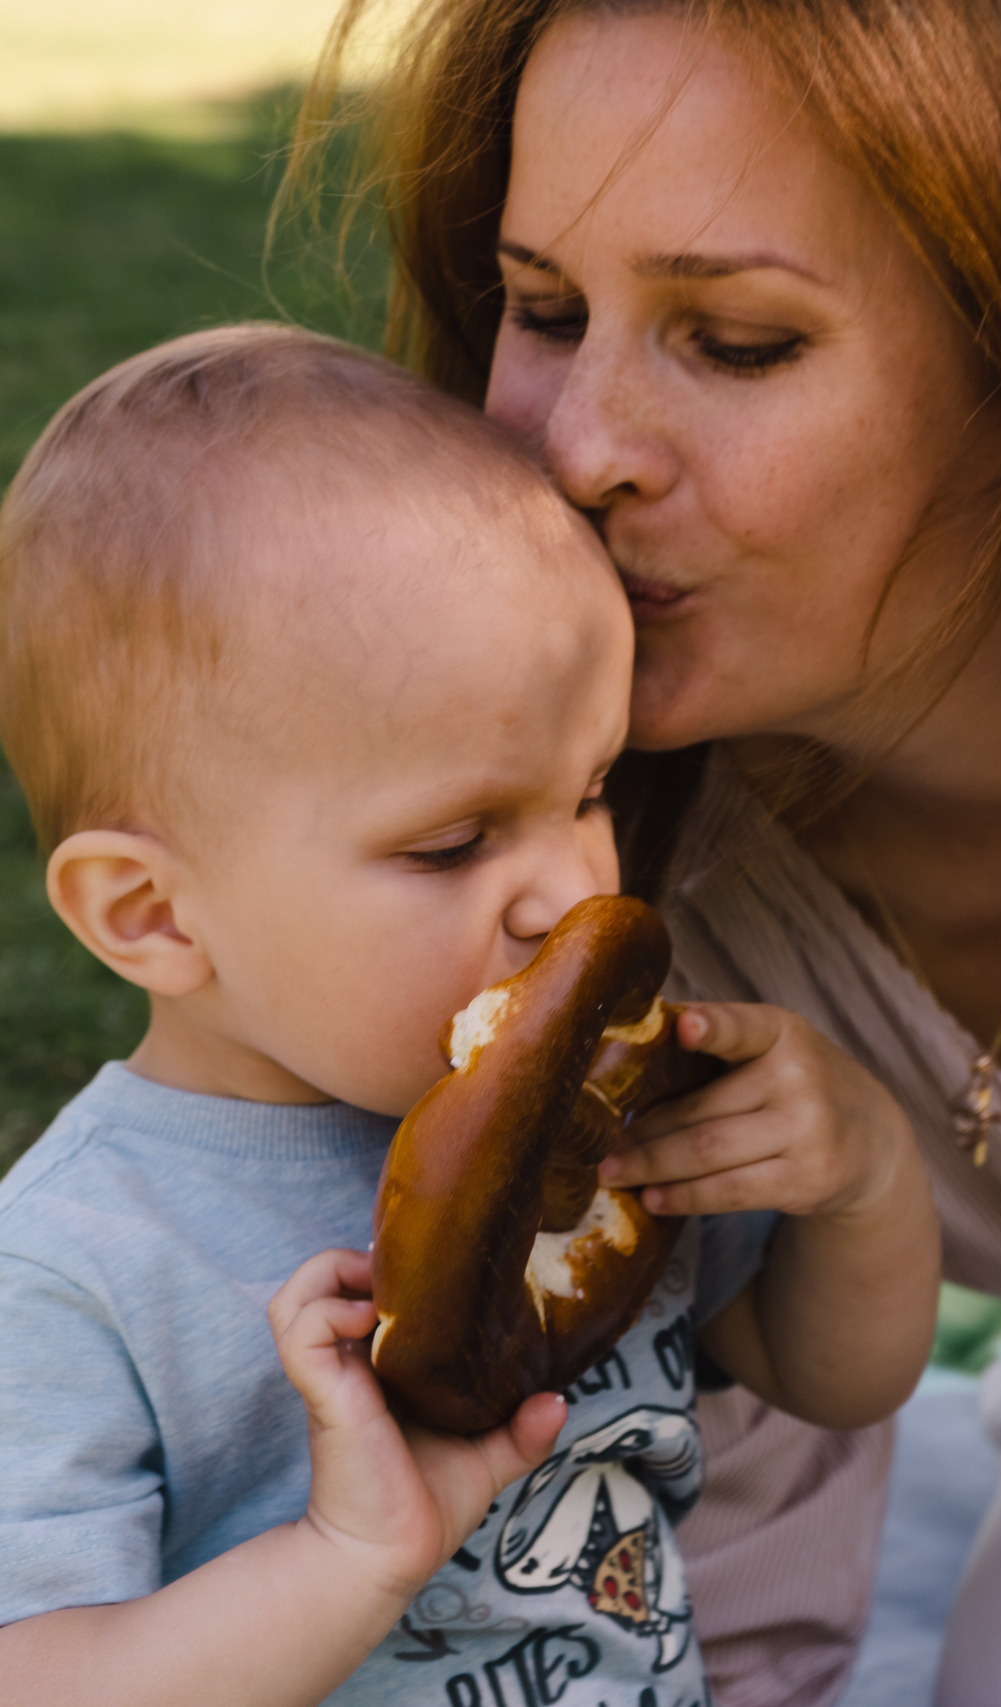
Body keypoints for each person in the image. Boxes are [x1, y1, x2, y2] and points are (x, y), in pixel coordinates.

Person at [285, 0, 1001, 1702]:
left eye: (737, 341)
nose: (578, 449)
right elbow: (670, 1461)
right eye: (538, 311)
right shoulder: (592, 873)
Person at [0, 324, 939, 1707]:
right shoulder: (83, 1268)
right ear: (153, 915)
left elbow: (832, 1379)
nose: (565, 889)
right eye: (450, 844)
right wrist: (343, 1559)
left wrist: (863, 1179)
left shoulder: (607, 1137)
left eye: (588, 792)